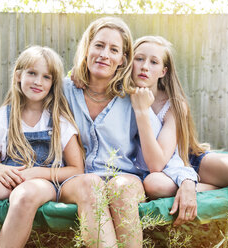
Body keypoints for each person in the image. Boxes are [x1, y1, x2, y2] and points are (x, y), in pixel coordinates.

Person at [130, 35, 228, 226]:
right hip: (160, 175)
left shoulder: (173, 105)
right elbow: (156, 167)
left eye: (153, 62)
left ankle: (198, 184)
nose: (145, 66)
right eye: (139, 59)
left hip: (187, 160)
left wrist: (188, 180)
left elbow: (162, 160)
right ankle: (216, 188)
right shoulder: (120, 99)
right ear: (129, 61)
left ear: (163, 71)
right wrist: (141, 109)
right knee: (154, 185)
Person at [0, 46, 84, 248]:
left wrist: (35, 173)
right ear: (18, 75)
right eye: (32, 73)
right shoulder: (2, 118)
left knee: (24, 194)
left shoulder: (60, 121)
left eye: (46, 77)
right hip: (7, 176)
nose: (37, 81)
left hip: (43, 181)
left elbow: (77, 169)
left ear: (53, 83)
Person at [60, 17, 145, 248]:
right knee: (91, 184)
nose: (104, 54)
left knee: (121, 188)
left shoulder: (135, 98)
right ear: (87, 48)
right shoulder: (64, 90)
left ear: (122, 59)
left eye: (114, 49)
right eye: (98, 45)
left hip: (125, 176)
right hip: (76, 180)